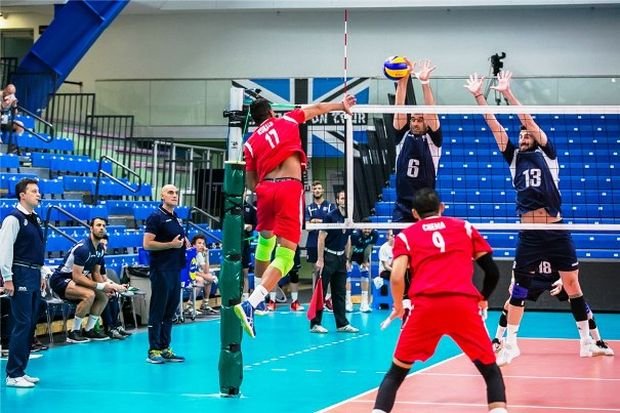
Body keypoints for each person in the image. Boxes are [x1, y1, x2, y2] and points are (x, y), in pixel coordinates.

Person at [466, 70, 602, 360]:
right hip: (529, 234)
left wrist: (507, 93)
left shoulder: (548, 155)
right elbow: (493, 125)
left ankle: (586, 342)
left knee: (572, 284)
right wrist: (479, 96)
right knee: (519, 289)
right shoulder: (514, 158)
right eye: (520, 135)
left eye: (527, 134)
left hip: (555, 229)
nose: (523, 136)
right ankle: (510, 344)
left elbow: (527, 120)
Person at [372, 188, 507, 413]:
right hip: (462, 305)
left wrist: (398, 305)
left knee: (396, 373)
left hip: (425, 308)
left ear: (415, 213)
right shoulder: (464, 228)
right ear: (441, 207)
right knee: (490, 371)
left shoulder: (406, 236)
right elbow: (492, 272)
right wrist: (483, 298)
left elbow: (396, 277)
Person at [234, 94, 356, 338]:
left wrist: (265, 187)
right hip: (289, 188)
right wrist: (341, 106)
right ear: (271, 112)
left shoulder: (250, 142)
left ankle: (258, 295)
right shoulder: (287, 120)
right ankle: (252, 303)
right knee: (286, 258)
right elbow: (318, 108)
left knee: (265, 242)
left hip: (265, 189)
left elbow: (251, 183)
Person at [492, 262, 613, 362]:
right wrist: (513, 280)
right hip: (534, 279)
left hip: (557, 278)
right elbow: (517, 263)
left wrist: (562, 280)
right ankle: (497, 340)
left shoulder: (558, 244)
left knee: (581, 305)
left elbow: (570, 266)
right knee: (510, 304)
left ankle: (598, 342)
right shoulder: (531, 244)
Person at [0, 178, 45, 388]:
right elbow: (4, 250)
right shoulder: (13, 219)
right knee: (22, 323)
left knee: (30, 324)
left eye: (38, 191)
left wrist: (41, 273)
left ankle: (21, 370)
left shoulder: (35, 219)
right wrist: (7, 278)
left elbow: (36, 250)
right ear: (22, 195)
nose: (38, 194)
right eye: (34, 191)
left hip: (34, 273)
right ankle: (13, 374)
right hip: (20, 273)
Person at [49, 217, 124, 343]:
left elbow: (96, 273)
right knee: (89, 295)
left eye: (104, 226)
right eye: (98, 225)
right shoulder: (83, 248)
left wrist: (107, 287)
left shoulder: (100, 249)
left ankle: (89, 330)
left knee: (103, 296)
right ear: (91, 228)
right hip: (61, 280)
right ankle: (74, 332)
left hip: (75, 281)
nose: (101, 228)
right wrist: (101, 286)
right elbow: (77, 277)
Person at [391, 59, 442, 225]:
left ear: (426, 123)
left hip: (427, 206)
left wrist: (424, 83)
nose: (415, 123)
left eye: (420, 120)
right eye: (413, 119)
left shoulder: (433, 142)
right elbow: (399, 106)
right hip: (403, 205)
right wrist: (403, 77)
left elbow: (431, 111)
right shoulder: (403, 136)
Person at [143, 184, 188, 363]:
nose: (174, 195)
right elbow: (147, 244)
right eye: (170, 192)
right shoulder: (156, 217)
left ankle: (165, 347)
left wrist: (185, 242)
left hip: (175, 269)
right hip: (161, 270)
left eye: (176, 193)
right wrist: (171, 245)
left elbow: (175, 238)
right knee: (158, 310)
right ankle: (153, 350)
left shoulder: (175, 217)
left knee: (170, 311)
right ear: (162, 196)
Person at [310, 190, 359, 334]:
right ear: (337, 201)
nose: (344, 201)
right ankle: (315, 324)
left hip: (341, 258)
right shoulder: (330, 216)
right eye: (342, 198)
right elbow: (321, 238)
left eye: (346, 198)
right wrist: (320, 259)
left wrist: (347, 259)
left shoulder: (350, 218)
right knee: (321, 291)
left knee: (340, 292)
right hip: (328, 257)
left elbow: (347, 239)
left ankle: (342, 324)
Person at [305, 180, 336, 311]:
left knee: (327, 271)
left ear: (322, 190)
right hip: (313, 242)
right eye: (315, 189)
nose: (317, 190)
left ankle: (327, 298)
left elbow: (332, 223)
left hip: (327, 243)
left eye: (319, 188)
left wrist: (315, 221)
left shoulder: (330, 206)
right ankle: (316, 298)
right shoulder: (309, 207)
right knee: (316, 270)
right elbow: (307, 226)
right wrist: (321, 222)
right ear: (312, 191)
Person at [98, 236, 132, 340]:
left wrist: (117, 286)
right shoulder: (91, 257)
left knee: (114, 294)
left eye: (105, 245)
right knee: (106, 296)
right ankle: (109, 328)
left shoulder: (101, 259)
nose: (104, 247)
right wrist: (108, 287)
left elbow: (104, 278)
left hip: (100, 285)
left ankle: (116, 325)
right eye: (101, 245)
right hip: (90, 286)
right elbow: (94, 278)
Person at [346, 222, 379, 312]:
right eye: (365, 228)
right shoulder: (355, 235)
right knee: (347, 272)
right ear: (361, 228)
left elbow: (368, 248)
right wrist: (348, 260)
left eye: (369, 229)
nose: (367, 230)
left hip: (362, 254)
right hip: (351, 253)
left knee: (365, 271)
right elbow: (350, 248)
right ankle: (348, 303)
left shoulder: (375, 234)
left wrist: (365, 261)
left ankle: (364, 303)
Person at [190, 234, 219, 315]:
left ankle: (205, 304)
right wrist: (204, 276)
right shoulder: (190, 253)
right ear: (193, 245)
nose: (202, 245)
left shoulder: (199, 254)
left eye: (203, 243)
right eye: (199, 243)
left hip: (194, 274)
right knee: (202, 279)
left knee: (208, 277)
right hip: (185, 275)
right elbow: (189, 270)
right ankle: (189, 305)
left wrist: (206, 256)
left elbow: (206, 270)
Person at [373, 229, 394, 297]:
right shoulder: (384, 248)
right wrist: (396, 271)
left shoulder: (399, 247)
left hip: (394, 269)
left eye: (395, 236)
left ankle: (405, 298)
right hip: (385, 271)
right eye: (392, 235)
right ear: (387, 236)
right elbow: (385, 266)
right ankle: (385, 299)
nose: (393, 237)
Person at [1, 84, 19, 154]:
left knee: (20, 125)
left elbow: (15, 114)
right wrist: (5, 103)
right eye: (10, 93)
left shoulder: (11, 99)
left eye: (13, 94)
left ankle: (14, 147)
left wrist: (14, 105)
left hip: (5, 121)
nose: (11, 95)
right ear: (5, 90)